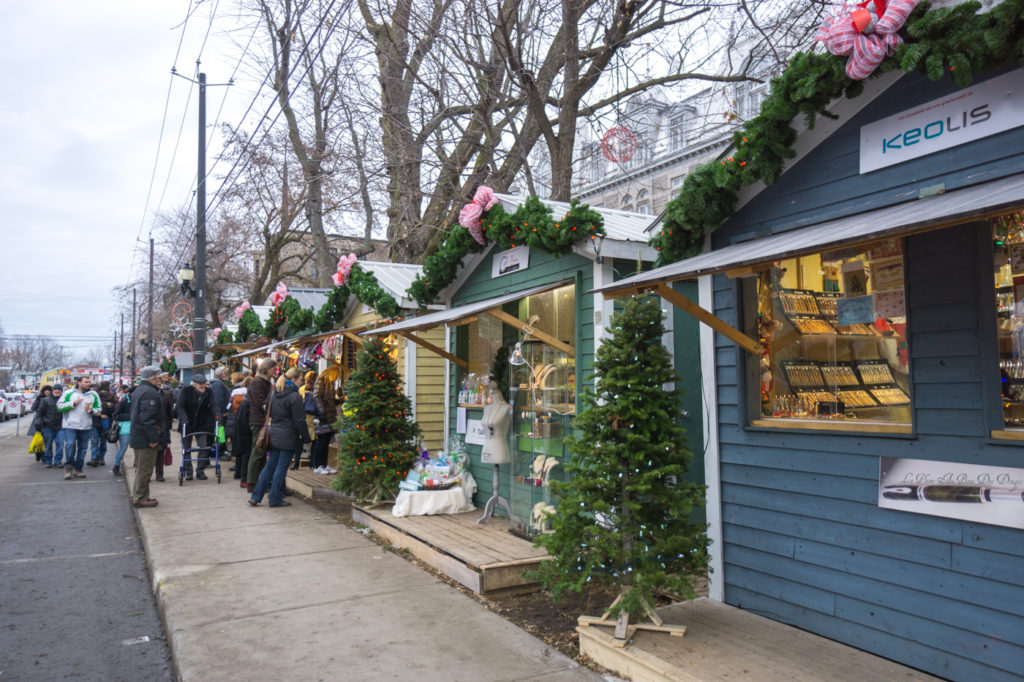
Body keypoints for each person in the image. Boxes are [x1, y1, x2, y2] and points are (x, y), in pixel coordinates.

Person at [249, 367, 310, 508]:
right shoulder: (294, 396)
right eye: (301, 379)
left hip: (274, 434)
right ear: (293, 380)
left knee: (270, 466)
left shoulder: (273, 393)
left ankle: (256, 496)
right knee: (281, 468)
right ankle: (275, 498)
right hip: (288, 436)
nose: (301, 383)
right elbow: (300, 421)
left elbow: (266, 409)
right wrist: (307, 439)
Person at [130, 367, 167, 508]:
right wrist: (153, 439)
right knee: (145, 469)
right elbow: (147, 418)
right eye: (158, 375)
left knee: (143, 468)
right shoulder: (149, 393)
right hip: (145, 438)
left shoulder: (141, 389)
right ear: (153, 376)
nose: (160, 377)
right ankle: (140, 497)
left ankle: (142, 495)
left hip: (140, 436)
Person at [56, 376, 100, 480]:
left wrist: (93, 411)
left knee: (83, 448)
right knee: (70, 445)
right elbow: (59, 406)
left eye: (89, 382)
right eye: (86, 382)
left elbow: (98, 408)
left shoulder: (93, 394)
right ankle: (69, 468)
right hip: (70, 424)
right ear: (79, 383)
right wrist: (73, 403)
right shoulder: (69, 393)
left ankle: (78, 468)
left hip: (85, 425)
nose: (88, 383)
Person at [246, 359, 277, 493]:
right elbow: (261, 403)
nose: (274, 372)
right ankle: (252, 483)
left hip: (260, 420)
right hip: (260, 421)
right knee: (257, 452)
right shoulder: (259, 383)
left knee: (260, 452)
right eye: (273, 369)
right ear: (267, 368)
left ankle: (260, 481)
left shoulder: (261, 382)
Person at [176, 374, 216, 480]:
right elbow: (180, 406)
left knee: (203, 447)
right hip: (187, 424)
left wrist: (218, 416)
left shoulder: (209, 392)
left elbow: (214, 405)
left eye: (204, 383)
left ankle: (200, 471)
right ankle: (188, 472)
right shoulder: (186, 391)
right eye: (200, 384)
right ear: (194, 384)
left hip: (202, 425)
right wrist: (183, 417)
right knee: (187, 449)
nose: (203, 386)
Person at [311, 375, 338, 475]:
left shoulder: (331, 383)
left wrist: (339, 399)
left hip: (329, 416)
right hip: (322, 416)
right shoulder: (322, 379)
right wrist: (322, 411)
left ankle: (324, 464)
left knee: (326, 441)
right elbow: (316, 396)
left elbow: (330, 400)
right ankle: (317, 465)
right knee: (321, 440)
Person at [87, 380, 116, 467]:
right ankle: (99, 458)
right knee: (101, 440)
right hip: (104, 421)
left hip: (96, 420)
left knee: (95, 440)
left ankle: (95, 457)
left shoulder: (94, 394)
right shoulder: (111, 395)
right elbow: (114, 407)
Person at [232, 378, 252, 488]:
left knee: (243, 455)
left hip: (239, 431)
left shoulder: (242, 400)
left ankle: (238, 474)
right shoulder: (247, 403)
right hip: (246, 433)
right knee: (247, 456)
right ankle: (244, 478)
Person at [229, 376, 250, 481]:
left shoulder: (234, 394)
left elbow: (230, 407)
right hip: (243, 425)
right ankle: (243, 474)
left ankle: (237, 472)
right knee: (246, 452)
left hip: (234, 422)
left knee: (238, 450)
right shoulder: (246, 398)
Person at [155, 376, 176, 482]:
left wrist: (169, 425)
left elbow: (170, 411)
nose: (159, 386)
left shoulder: (166, 395)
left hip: (163, 427)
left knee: (160, 451)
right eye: (157, 384)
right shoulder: (147, 394)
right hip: (151, 426)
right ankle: (148, 473)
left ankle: (159, 474)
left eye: (160, 384)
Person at [296, 371, 318, 470]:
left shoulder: (315, 390)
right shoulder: (302, 390)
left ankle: (311, 463)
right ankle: (298, 463)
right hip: (306, 418)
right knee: (301, 441)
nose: (309, 384)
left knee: (311, 441)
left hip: (310, 418)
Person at [110, 384, 133, 477]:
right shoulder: (124, 401)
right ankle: (116, 466)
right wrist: (131, 417)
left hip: (137, 428)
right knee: (123, 447)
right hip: (125, 428)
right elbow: (115, 415)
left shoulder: (139, 401)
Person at [210, 367, 232, 461]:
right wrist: (223, 412)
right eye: (226, 373)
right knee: (221, 433)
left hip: (221, 413)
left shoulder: (218, 383)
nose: (227, 374)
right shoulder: (218, 384)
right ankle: (219, 453)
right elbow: (218, 400)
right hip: (221, 414)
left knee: (221, 433)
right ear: (221, 374)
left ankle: (219, 452)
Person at [39, 385, 63, 468]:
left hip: (60, 426)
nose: (57, 391)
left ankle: (58, 461)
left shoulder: (63, 400)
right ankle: (48, 461)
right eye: (56, 389)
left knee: (60, 444)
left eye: (59, 390)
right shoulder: (45, 400)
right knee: (48, 445)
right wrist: (40, 423)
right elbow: (40, 412)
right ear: (52, 391)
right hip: (48, 426)